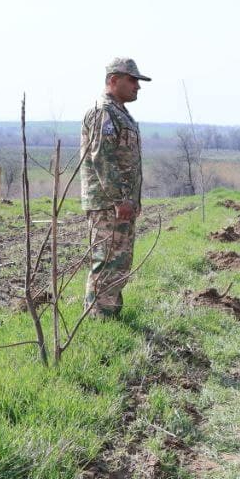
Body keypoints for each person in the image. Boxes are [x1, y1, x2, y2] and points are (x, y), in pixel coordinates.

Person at [80, 58, 150, 317]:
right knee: (107, 262)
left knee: (118, 263)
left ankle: (109, 315)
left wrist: (130, 201)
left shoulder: (119, 112)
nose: (137, 87)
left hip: (119, 205)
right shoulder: (104, 112)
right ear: (113, 80)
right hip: (109, 205)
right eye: (132, 80)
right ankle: (99, 320)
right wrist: (120, 199)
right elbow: (103, 158)